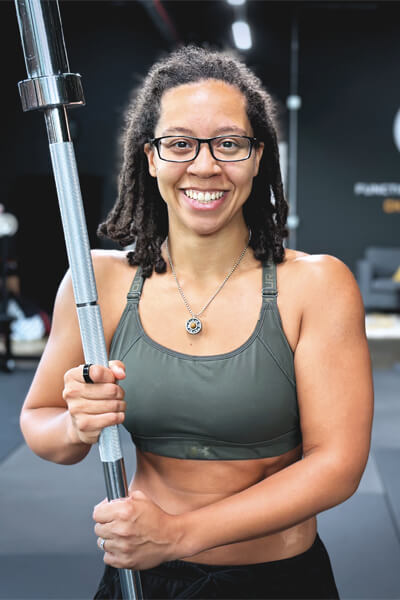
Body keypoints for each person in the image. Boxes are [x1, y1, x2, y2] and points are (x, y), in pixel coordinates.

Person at [19, 45, 374, 599]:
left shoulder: (316, 286)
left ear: (258, 157)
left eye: (229, 144)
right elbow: (43, 424)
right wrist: (76, 425)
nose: (204, 165)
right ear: (152, 156)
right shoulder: (98, 284)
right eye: (180, 144)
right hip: (140, 578)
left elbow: (337, 465)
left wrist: (179, 535)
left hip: (276, 581)